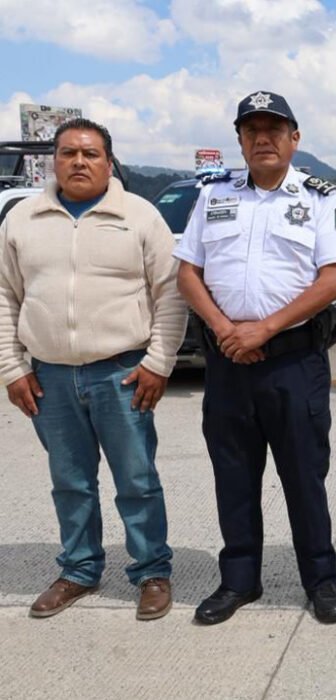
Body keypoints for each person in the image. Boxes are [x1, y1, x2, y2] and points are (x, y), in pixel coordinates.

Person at [175, 91, 336, 625]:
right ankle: (238, 581)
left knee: (304, 477)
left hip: (292, 364)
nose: (262, 138)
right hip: (229, 363)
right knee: (233, 475)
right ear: (239, 140)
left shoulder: (320, 197)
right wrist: (225, 328)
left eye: (274, 129)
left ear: (294, 139)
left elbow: (333, 278)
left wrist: (266, 328)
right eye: (251, 129)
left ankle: (321, 580)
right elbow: (188, 270)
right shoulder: (214, 195)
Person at [0, 118, 186, 620]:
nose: (78, 162)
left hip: (122, 373)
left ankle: (151, 571)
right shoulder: (22, 220)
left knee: (137, 479)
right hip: (50, 376)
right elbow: (4, 296)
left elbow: (170, 295)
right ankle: (79, 570)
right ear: (53, 161)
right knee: (69, 480)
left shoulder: (140, 216)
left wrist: (158, 362)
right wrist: (12, 368)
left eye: (90, 154)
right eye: (68, 153)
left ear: (109, 161)